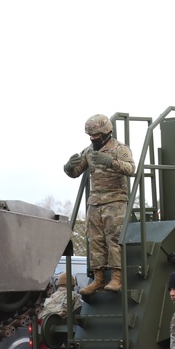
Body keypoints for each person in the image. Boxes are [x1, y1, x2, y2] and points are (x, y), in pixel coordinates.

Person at [63, 114, 135, 296]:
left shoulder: (120, 149)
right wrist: (68, 167)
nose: (93, 139)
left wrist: (111, 162)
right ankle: (98, 278)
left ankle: (116, 278)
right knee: (95, 241)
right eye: (90, 136)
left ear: (106, 133)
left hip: (115, 202)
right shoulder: (89, 151)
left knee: (113, 240)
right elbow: (76, 171)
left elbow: (131, 168)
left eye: (96, 136)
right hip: (95, 203)